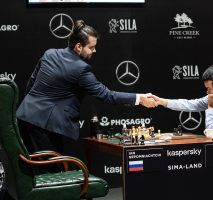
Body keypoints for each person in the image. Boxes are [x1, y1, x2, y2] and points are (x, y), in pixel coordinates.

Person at [16, 20, 157, 154]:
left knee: (33, 169)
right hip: (44, 126)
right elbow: (107, 95)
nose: (94, 51)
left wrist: (30, 107)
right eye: (91, 47)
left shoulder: (50, 53)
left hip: (25, 116)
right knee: (49, 173)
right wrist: (140, 98)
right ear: (78, 46)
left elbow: (31, 83)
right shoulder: (81, 69)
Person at [151, 64, 213, 157]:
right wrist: (162, 101)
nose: (207, 92)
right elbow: (190, 104)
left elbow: (211, 134)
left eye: (209, 89)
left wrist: (210, 107)